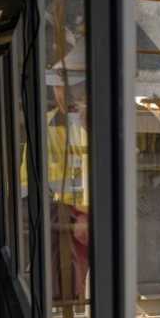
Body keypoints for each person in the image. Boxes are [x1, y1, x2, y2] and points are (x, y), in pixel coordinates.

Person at [46, 41, 89, 302]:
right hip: (63, 221)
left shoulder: (111, 119)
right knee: (67, 289)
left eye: (68, 85)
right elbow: (31, 187)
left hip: (98, 221)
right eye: (58, 86)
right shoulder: (49, 125)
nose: (62, 93)